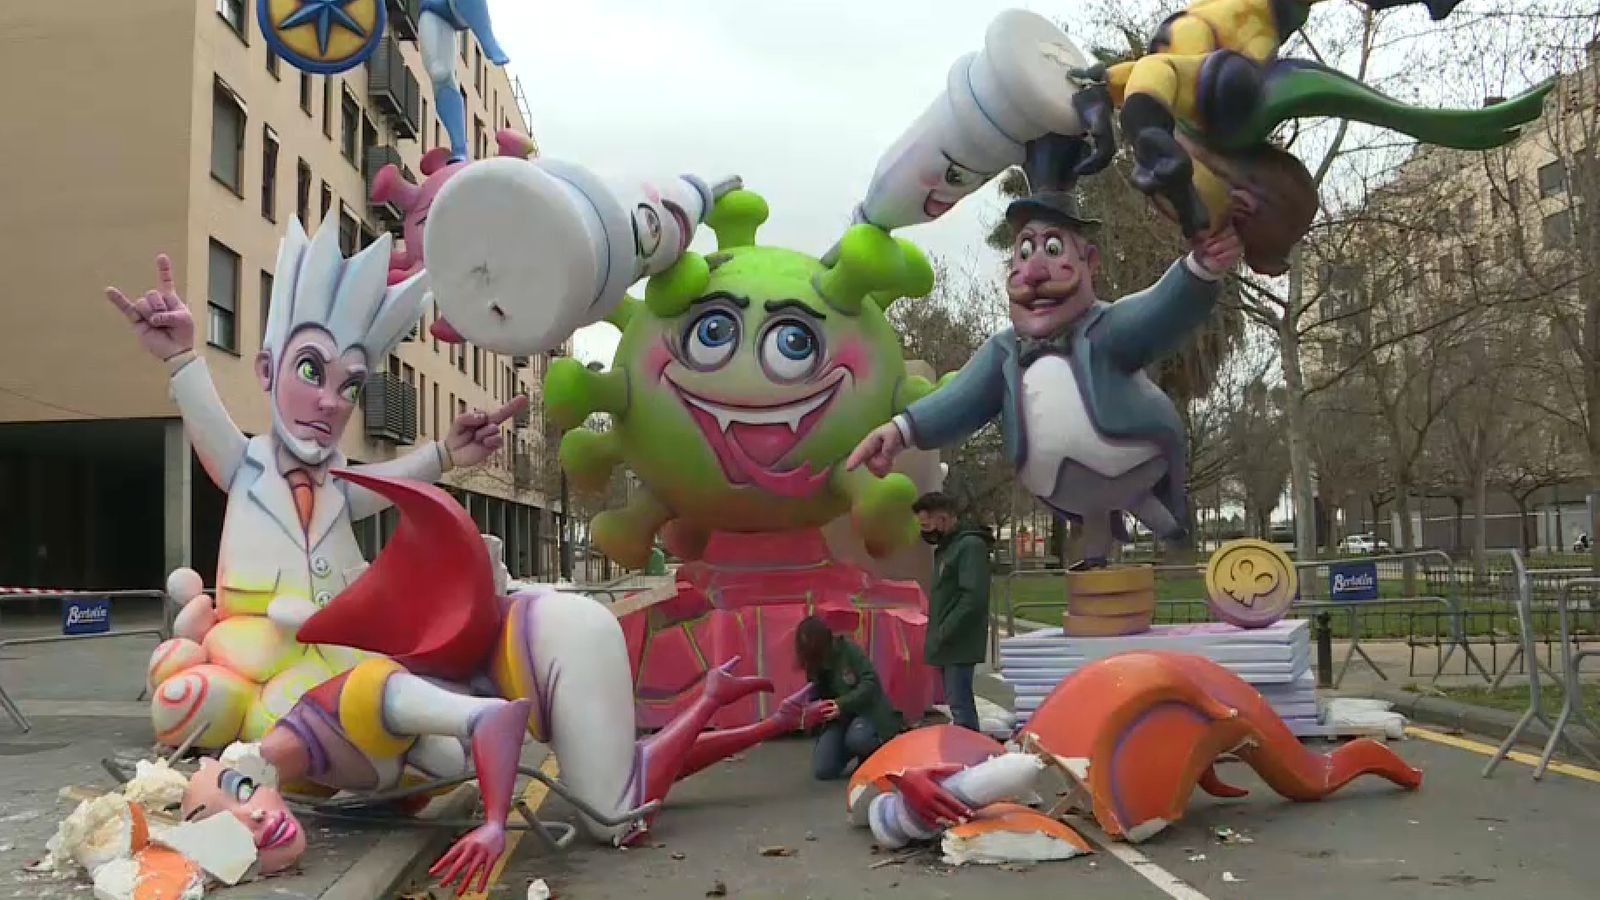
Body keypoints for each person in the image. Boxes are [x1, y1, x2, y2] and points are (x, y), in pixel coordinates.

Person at [849, 134, 1244, 571]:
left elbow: (1159, 310)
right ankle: (1098, 549)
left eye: (1053, 249)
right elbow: (958, 400)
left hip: (1135, 456)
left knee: (1143, 503)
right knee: (1094, 520)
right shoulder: (1004, 352)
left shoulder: (1107, 329)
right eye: (1024, 251)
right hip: (1060, 485)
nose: (1035, 272)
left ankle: (1159, 519)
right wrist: (901, 431)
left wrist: (1200, 269)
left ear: (1089, 262)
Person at [913, 492, 992, 732]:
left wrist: (945, 631)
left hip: (958, 642)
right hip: (948, 642)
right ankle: (965, 748)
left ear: (943, 518)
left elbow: (973, 597)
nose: (924, 531)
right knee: (956, 703)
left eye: (926, 525)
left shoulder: (969, 547)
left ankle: (971, 750)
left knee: (960, 705)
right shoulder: (948, 548)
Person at [795, 616, 905, 780]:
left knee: (858, 739)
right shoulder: (814, 664)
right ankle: (847, 749)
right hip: (840, 719)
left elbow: (870, 682)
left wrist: (841, 704)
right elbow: (816, 694)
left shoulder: (848, 651)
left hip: (867, 712)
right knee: (823, 769)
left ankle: (877, 750)